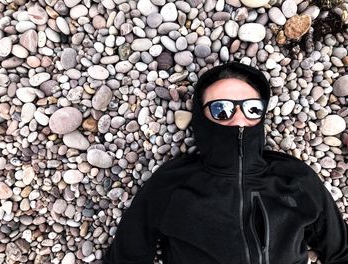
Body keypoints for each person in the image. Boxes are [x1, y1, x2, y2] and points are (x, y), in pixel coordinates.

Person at [102, 62, 348, 264]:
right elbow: (126, 257)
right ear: (201, 117)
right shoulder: (173, 180)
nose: (239, 118)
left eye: (252, 108)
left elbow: (341, 252)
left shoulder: (295, 177)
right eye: (221, 109)